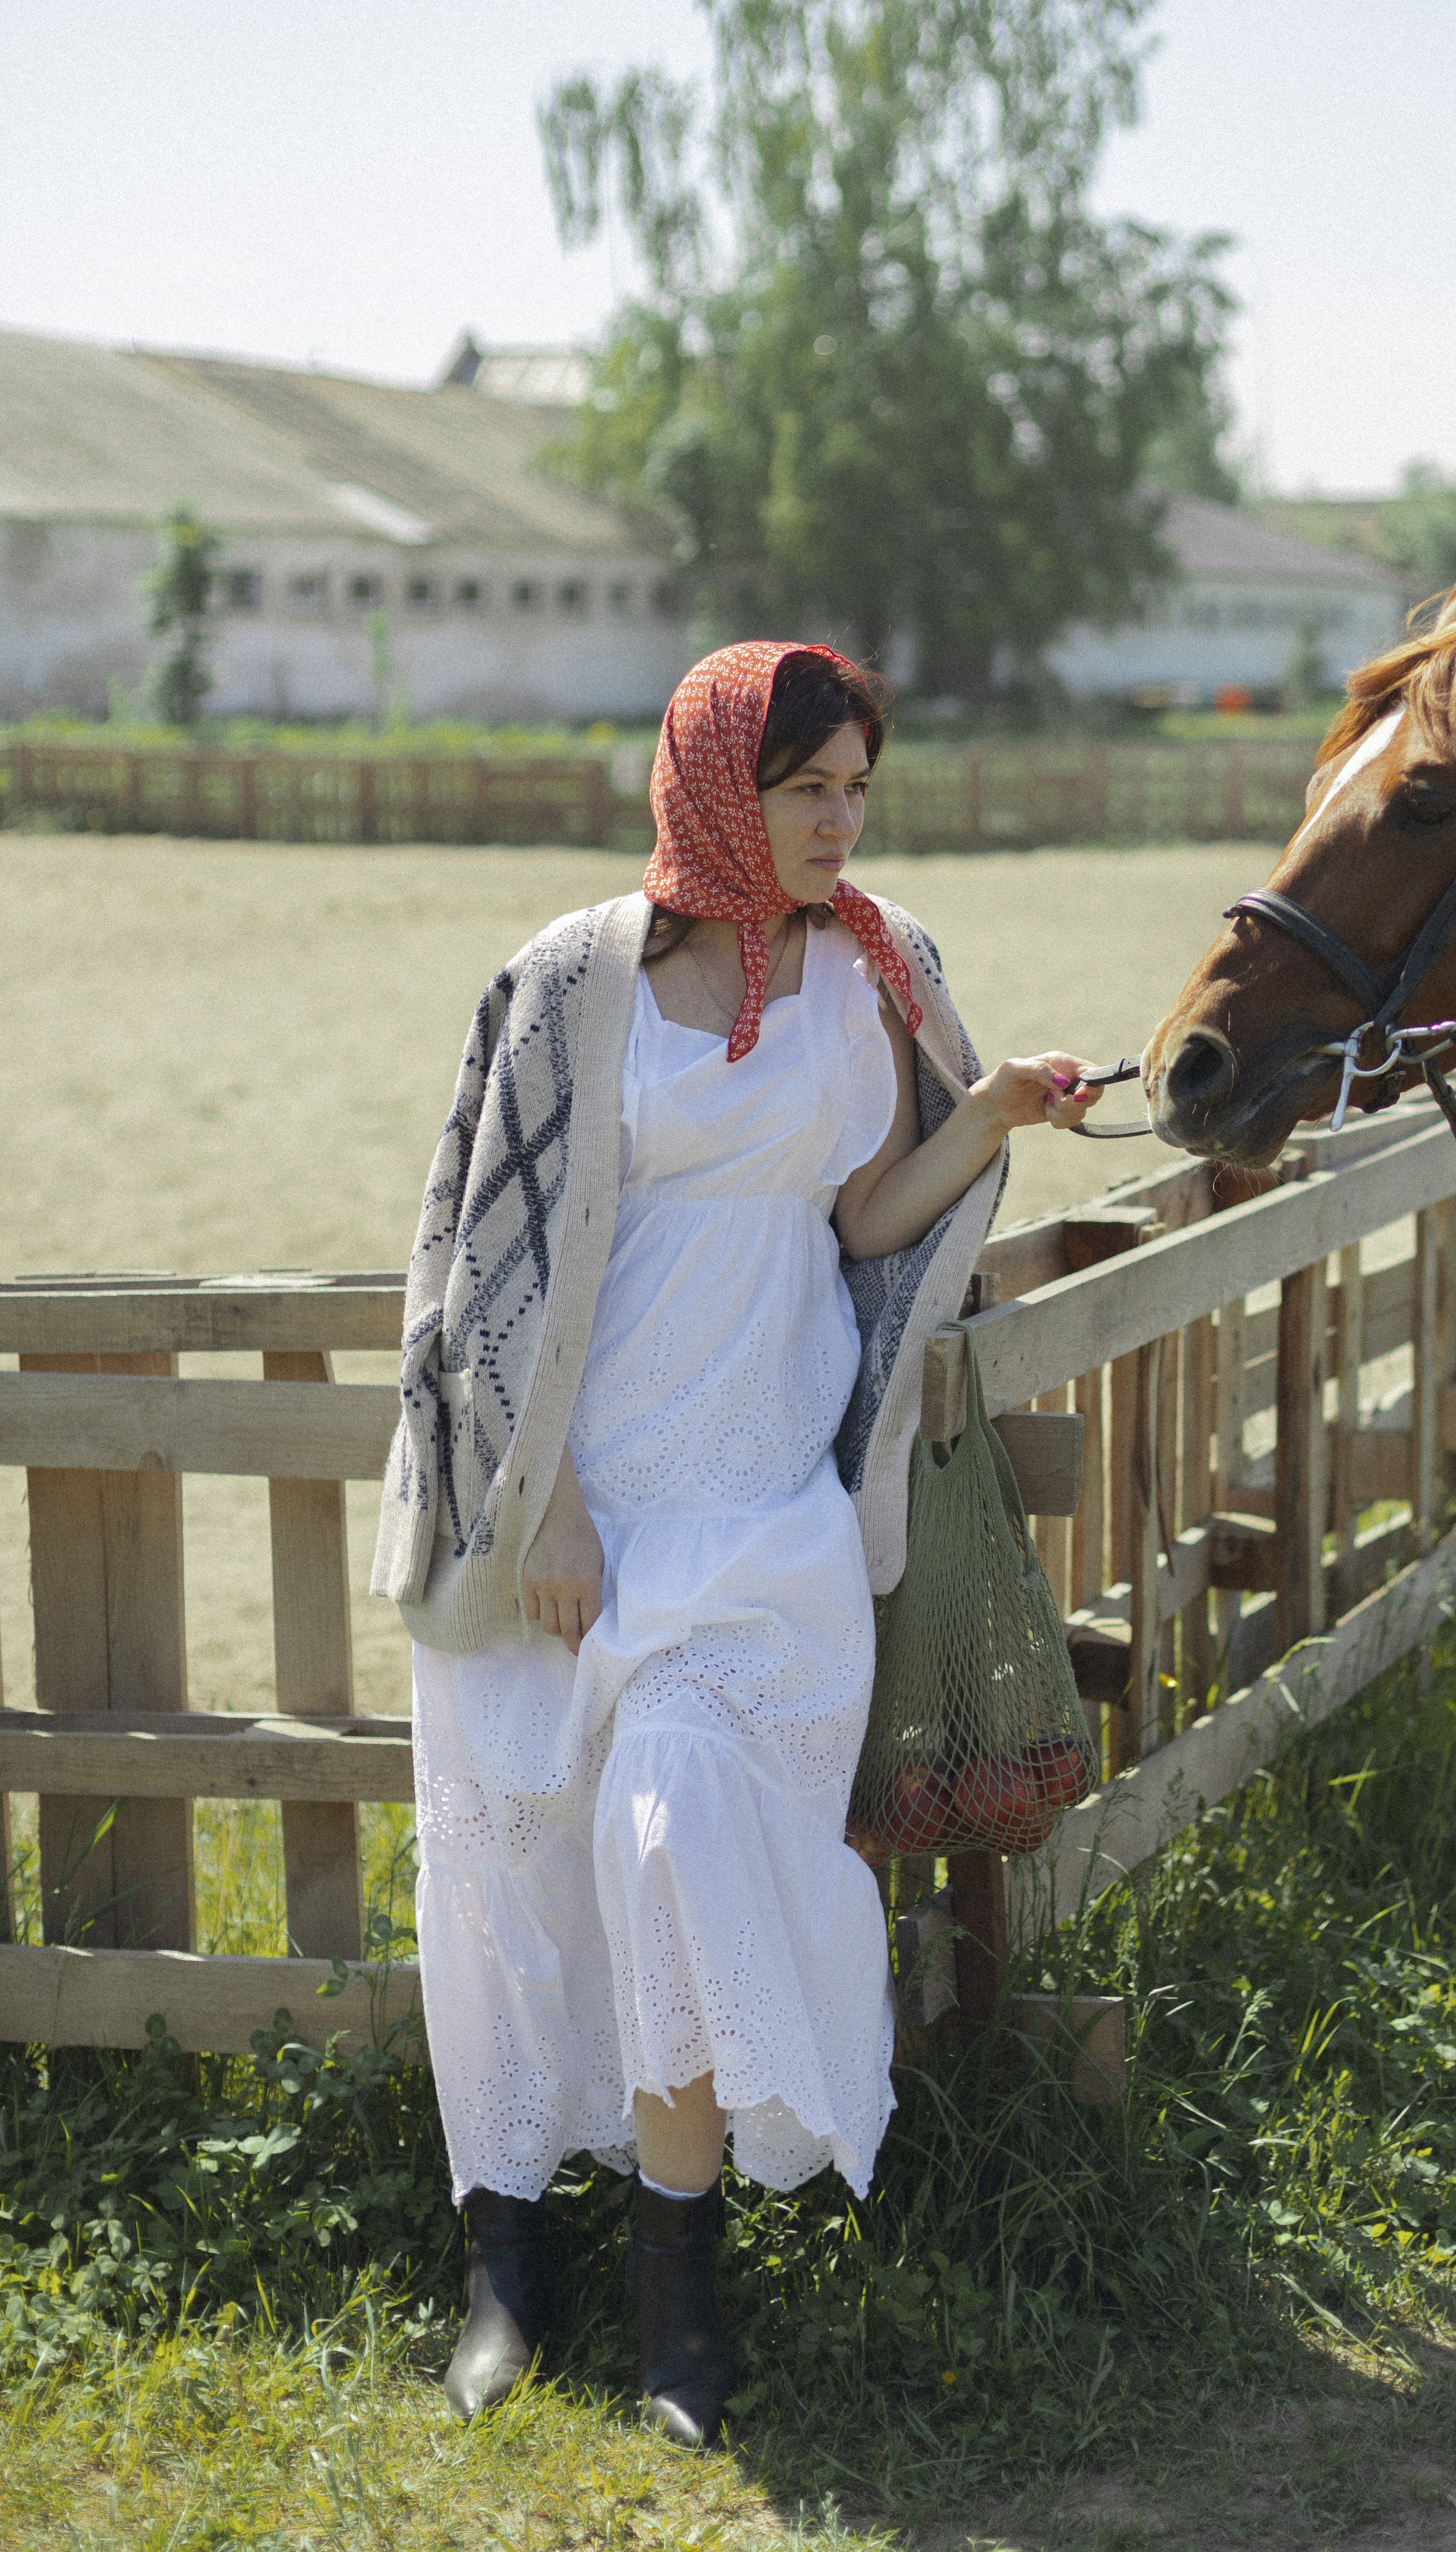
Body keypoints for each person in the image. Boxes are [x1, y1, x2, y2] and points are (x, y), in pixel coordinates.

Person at [371, 640, 1102, 2445]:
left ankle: (682, 2322)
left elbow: (857, 1210)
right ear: (719, 785)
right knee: (519, 1895)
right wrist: (535, 1504)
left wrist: (994, 1111)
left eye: (858, 787)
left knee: (682, 1849)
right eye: (807, 790)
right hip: (568, 1520)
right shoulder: (570, 984)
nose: (839, 823)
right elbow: (470, 1258)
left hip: (765, 1510)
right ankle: (505, 2277)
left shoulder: (877, 972)